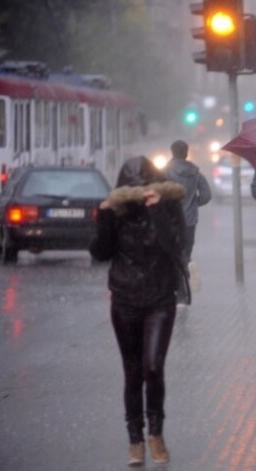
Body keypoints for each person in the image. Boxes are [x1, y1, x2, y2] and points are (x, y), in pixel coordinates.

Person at [89, 156, 187, 466]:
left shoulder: (168, 206)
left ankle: (156, 434)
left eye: (146, 185)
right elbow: (100, 253)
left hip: (160, 298)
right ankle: (135, 440)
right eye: (135, 187)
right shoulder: (116, 211)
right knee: (132, 372)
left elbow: (176, 246)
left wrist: (157, 209)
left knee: (153, 367)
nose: (140, 192)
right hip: (125, 298)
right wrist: (104, 218)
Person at [165, 139, 211, 305]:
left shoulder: (165, 172)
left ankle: (180, 292)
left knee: (173, 255)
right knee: (185, 253)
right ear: (186, 153)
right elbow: (206, 195)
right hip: (190, 221)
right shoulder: (195, 172)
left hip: (171, 221)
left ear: (172, 152)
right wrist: (194, 203)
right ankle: (183, 287)